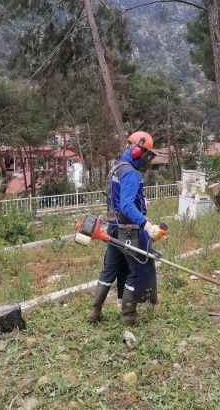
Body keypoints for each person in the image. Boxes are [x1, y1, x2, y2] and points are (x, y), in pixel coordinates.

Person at [87, 131, 167, 326]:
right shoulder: (131, 173)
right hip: (129, 230)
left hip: (113, 227)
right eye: (147, 154)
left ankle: (94, 312)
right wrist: (147, 225)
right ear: (137, 151)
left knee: (110, 270)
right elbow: (126, 205)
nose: (147, 160)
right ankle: (128, 316)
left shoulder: (117, 167)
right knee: (136, 271)